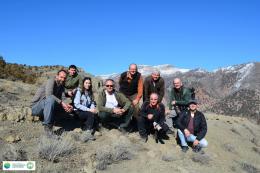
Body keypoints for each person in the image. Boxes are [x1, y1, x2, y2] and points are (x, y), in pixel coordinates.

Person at [31, 70, 73, 134]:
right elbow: (49, 95)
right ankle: (48, 127)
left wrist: (67, 106)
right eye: (61, 77)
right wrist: (62, 103)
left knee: (65, 109)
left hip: (46, 107)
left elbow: (63, 98)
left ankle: (49, 118)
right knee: (51, 99)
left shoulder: (61, 86)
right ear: (57, 76)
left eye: (64, 78)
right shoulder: (51, 81)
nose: (63, 79)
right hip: (36, 107)